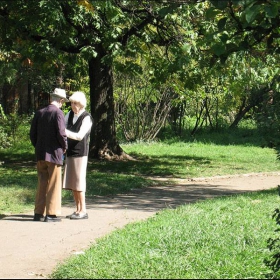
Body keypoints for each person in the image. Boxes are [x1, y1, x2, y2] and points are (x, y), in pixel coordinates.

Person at [30, 88, 68, 222]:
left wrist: (38, 146)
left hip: (40, 154)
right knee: (54, 184)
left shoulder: (39, 112)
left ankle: (38, 213)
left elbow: (32, 134)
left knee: (42, 183)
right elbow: (61, 133)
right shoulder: (58, 113)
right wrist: (64, 147)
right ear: (61, 100)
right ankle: (51, 214)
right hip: (54, 154)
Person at [63, 91, 93, 220]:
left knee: (79, 182)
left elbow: (80, 136)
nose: (72, 106)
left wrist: (63, 132)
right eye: (71, 103)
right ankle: (77, 209)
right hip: (70, 152)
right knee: (72, 183)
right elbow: (62, 125)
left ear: (81, 104)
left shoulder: (86, 117)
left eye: (75, 103)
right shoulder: (69, 114)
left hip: (80, 153)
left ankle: (83, 210)